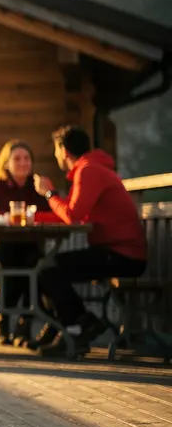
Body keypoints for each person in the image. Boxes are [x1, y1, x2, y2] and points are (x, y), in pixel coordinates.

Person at [32, 125, 148, 357]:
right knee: (45, 267)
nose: (55, 156)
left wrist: (48, 194)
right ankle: (72, 325)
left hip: (123, 255)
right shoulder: (91, 169)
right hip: (115, 252)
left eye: (56, 150)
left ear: (63, 151)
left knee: (48, 268)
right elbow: (73, 213)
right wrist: (33, 216)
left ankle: (78, 327)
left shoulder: (88, 171)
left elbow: (72, 216)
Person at [0, 140, 51, 347]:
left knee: (36, 264)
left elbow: (52, 213)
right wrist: (1, 219)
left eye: (27, 159)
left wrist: (45, 200)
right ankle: (4, 320)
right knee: (12, 262)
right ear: (6, 163)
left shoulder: (37, 187)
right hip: (0, 246)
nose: (23, 163)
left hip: (30, 246)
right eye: (17, 159)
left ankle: (24, 324)